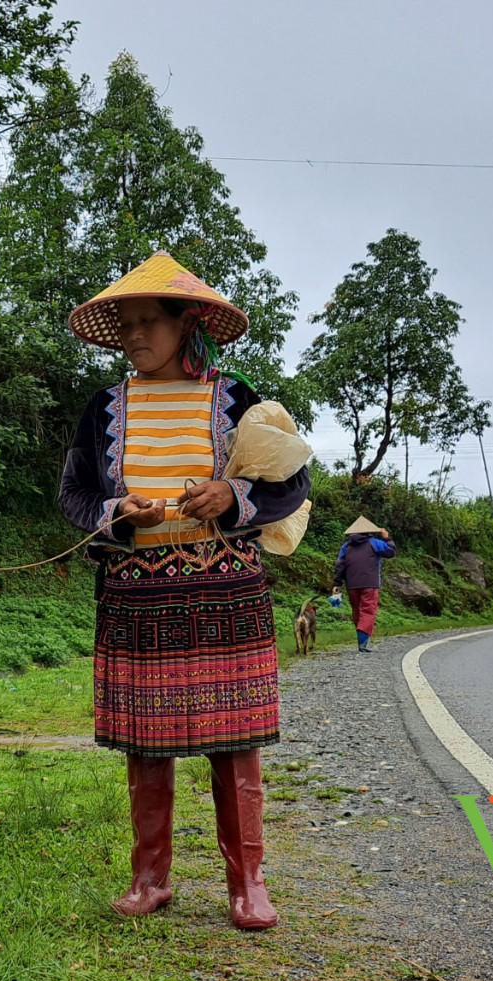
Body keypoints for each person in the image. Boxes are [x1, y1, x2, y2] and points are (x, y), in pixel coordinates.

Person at [58, 251, 310, 930]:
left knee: (237, 738)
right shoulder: (104, 408)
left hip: (227, 587)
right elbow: (75, 495)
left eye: (149, 321)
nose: (136, 334)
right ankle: (150, 879)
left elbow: (293, 482)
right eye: (128, 325)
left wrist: (232, 492)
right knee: (147, 741)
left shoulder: (237, 400)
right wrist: (117, 514)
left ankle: (247, 883)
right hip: (137, 593)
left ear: (185, 324)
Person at [331, 516, 396, 652]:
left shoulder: (346, 546)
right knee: (367, 610)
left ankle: (362, 639)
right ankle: (363, 643)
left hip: (352, 585)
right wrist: (387, 538)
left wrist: (337, 583)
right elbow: (390, 552)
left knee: (357, 611)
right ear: (368, 531)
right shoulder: (374, 543)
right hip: (370, 583)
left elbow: (340, 565)